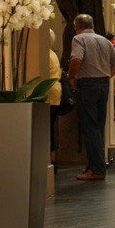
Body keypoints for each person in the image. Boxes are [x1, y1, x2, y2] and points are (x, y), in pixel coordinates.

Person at [68, 14, 115, 180]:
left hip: (88, 85)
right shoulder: (104, 41)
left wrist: (71, 77)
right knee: (98, 126)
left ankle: (97, 169)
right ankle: (93, 164)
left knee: (90, 127)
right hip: (103, 86)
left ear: (77, 27)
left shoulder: (79, 39)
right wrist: (107, 76)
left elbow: (77, 60)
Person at [47, 30, 63, 168]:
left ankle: (51, 161)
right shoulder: (52, 54)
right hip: (55, 94)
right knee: (50, 128)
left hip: (49, 95)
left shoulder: (46, 55)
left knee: (48, 128)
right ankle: (52, 160)